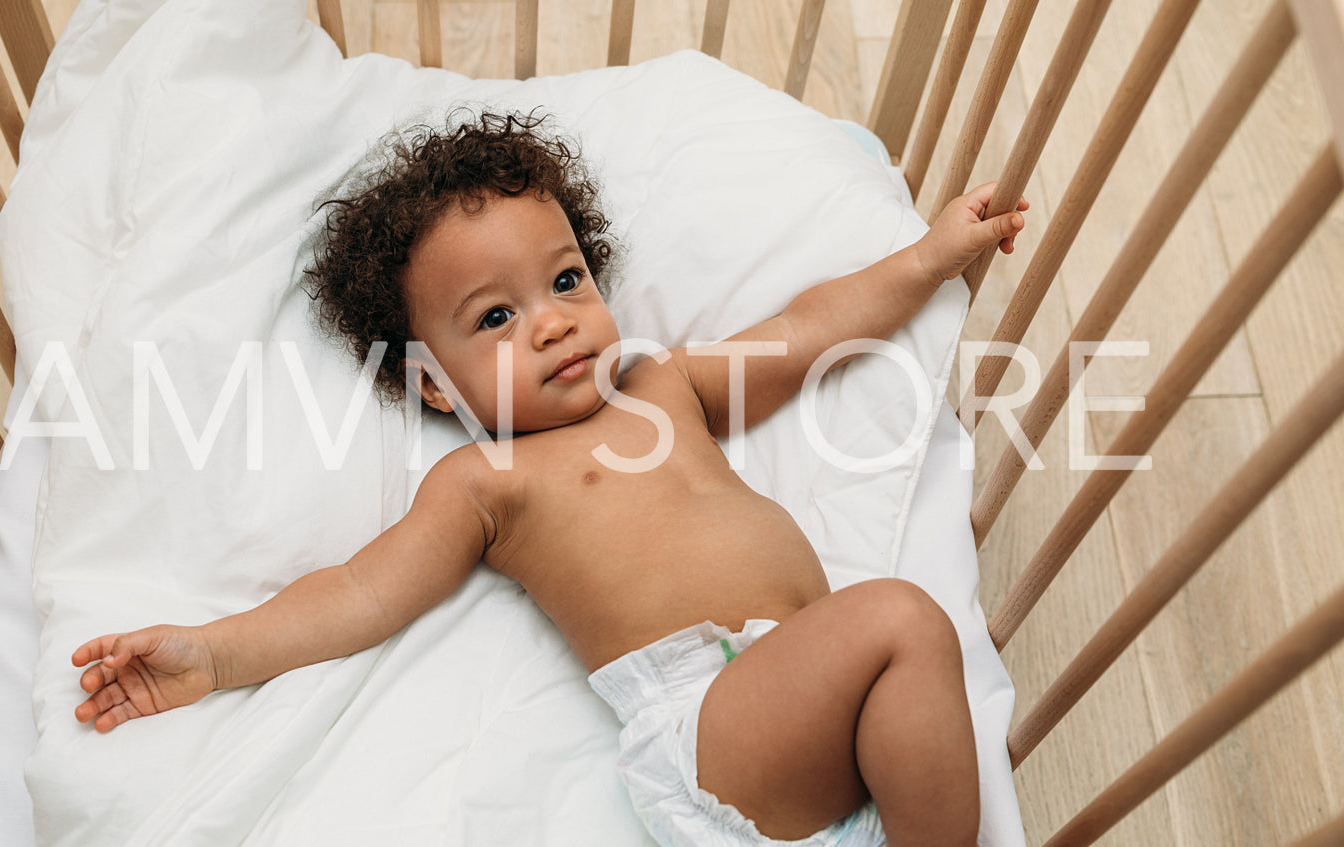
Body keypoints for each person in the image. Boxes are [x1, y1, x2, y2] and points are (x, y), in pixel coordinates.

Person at [71, 109, 1027, 847]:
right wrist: (215, 653)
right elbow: (360, 592)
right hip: (711, 721)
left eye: (566, 281)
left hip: (813, 707)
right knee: (901, 617)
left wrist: (930, 256)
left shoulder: (669, 384)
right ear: (433, 387)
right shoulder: (489, 480)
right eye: (494, 318)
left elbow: (812, 328)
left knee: (902, 644)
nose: (552, 321)